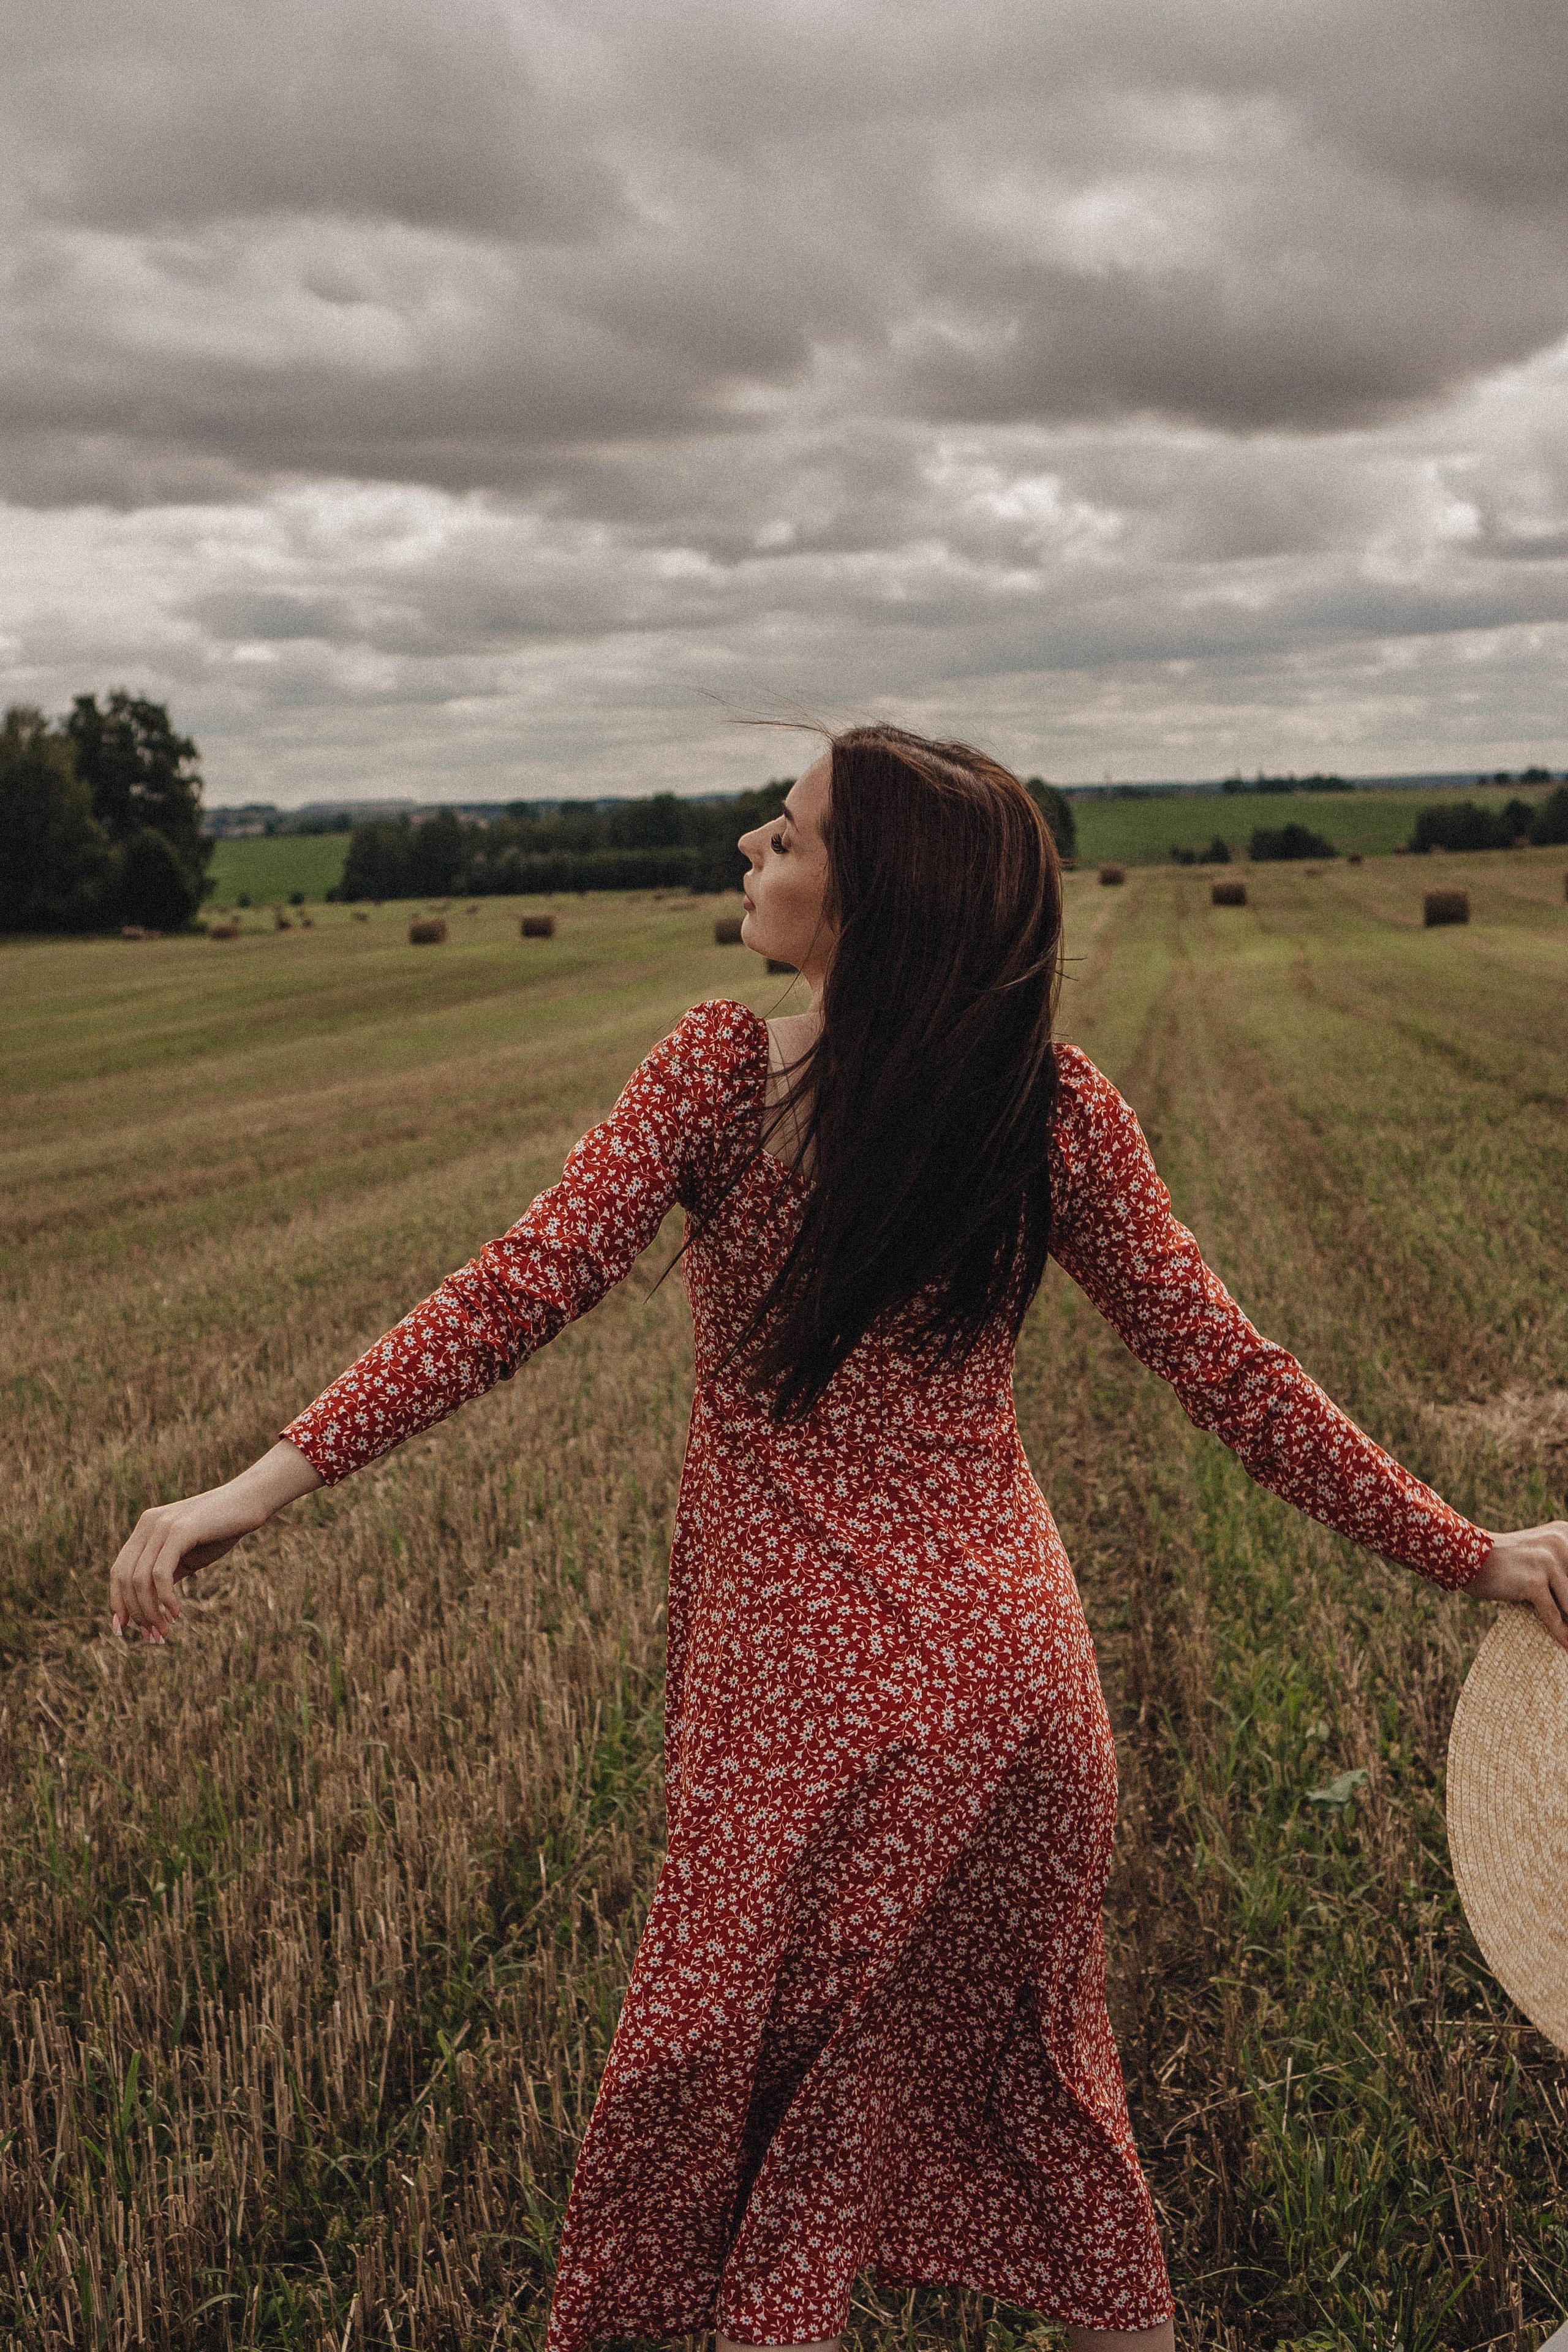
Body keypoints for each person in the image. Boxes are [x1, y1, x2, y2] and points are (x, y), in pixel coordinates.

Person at [108, 725, 1568, 2352]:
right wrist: (1469, 1550)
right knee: (1050, 2099)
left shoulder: (719, 1081)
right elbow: (1233, 1372)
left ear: (871, 904)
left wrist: (257, 1484)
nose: (751, 846)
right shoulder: (1050, 1106)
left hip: (821, 1715)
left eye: (789, 839)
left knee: (708, 2134)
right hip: (1024, 1702)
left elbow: (509, 1298)